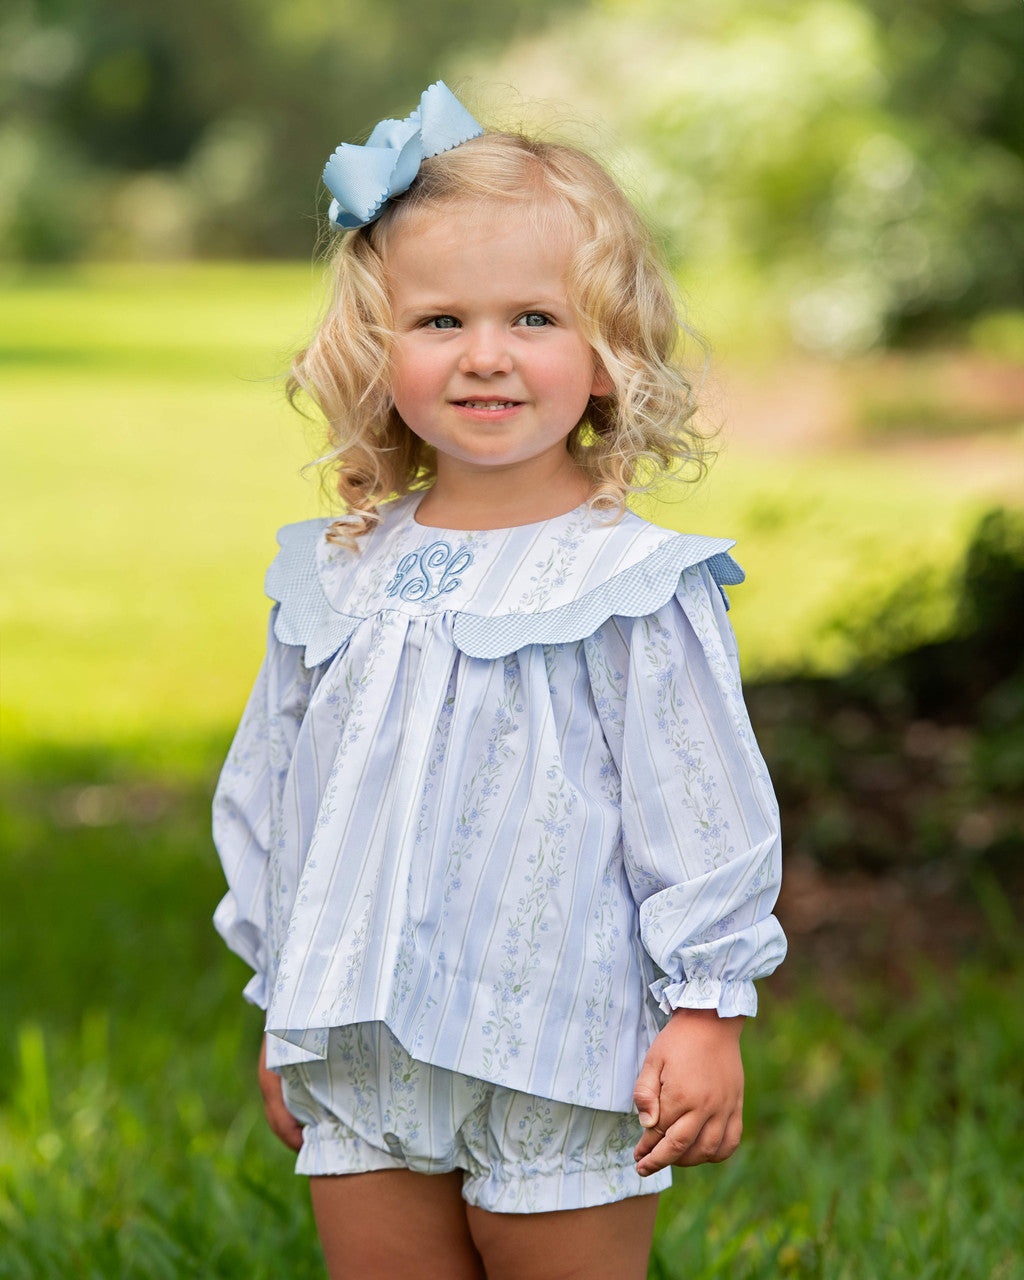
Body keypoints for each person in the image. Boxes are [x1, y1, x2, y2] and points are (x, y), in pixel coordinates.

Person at [212, 81, 786, 1280]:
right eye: (438, 322)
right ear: (378, 348)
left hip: (557, 1040)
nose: (485, 356)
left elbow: (695, 800)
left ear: (607, 347)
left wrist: (705, 1003)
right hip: (363, 1049)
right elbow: (280, 800)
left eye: (533, 317)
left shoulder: (631, 580)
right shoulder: (339, 574)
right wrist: (285, 995)